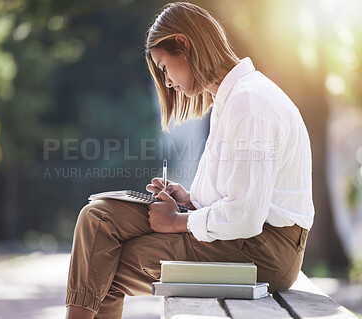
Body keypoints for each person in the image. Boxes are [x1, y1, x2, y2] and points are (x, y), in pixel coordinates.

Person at [65, 2, 315, 319]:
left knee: (105, 264)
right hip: (246, 241)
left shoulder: (249, 102)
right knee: (97, 216)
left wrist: (178, 221)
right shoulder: (233, 98)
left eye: (165, 67)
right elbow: (240, 196)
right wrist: (190, 199)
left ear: (183, 44)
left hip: (263, 252)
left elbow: (246, 215)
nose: (167, 82)